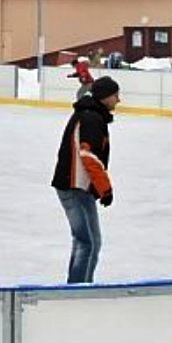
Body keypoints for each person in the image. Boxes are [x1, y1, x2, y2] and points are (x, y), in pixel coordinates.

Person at [50, 76, 120, 284]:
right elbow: (88, 157)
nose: (118, 100)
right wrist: (105, 188)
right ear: (106, 96)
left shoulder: (92, 115)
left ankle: (83, 286)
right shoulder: (91, 118)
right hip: (73, 187)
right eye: (116, 95)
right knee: (85, 242)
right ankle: (76, 290)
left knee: (92, 242)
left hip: (82, 188)